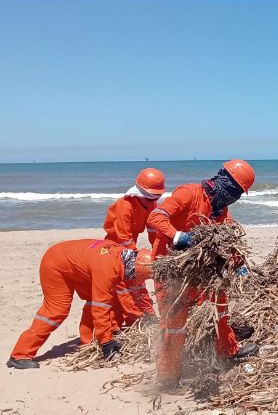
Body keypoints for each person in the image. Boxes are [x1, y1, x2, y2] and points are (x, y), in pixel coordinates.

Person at [146, 160, 258, 387]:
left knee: (220, 303)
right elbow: (156, 217)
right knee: (174, 321)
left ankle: (227, 350)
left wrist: (239, 262)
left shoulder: (220, 209)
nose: (234, 197)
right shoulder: (188, 193)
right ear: (222, 182)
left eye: (238, 194)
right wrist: (177, 236)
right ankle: (169, 375)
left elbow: (224, 240)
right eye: (234, 191)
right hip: (170, 267)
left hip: (198, 270)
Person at [7, 241, 153, 369]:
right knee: (56, 310)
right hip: (56, 264)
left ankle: (87, 341)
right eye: (134, 276)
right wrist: (107, 341)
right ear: (133, 269)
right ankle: (20, 355)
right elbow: (100, 307)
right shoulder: (107, 270)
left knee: (96, 297)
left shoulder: (124, 256)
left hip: (75, 263)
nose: (132, 278)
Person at [103, 167, 166, 327]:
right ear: (141, 193)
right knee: (127, 284)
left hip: (130, 245)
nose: (153, 201)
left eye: (155, 198)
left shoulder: (150, 204)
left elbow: (154, 232)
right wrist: (136, 257)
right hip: (114, 247)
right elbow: (123, 237)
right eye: (151, 198)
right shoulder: (126, 205)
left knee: (135, 283)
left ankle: (144, 317)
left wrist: (159, 254)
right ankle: (140, 318)